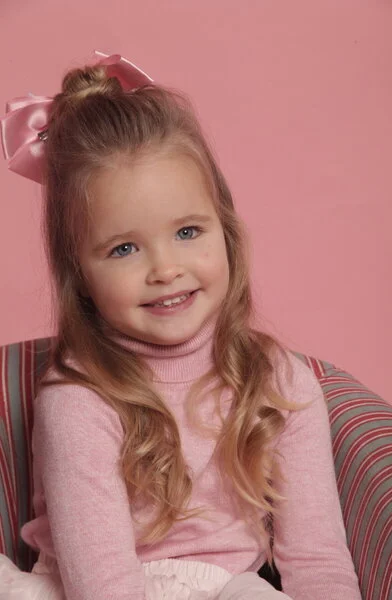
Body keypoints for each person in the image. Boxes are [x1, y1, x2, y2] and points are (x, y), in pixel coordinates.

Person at [0, 50, 362, 600]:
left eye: (188, 232)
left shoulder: (280, 382)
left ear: (226, 232)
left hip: (227, 589)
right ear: (80, 274)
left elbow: (318, 563)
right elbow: (102, 587)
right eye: (124, 248)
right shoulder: (77, 399)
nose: (166, 270)